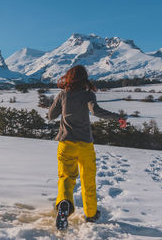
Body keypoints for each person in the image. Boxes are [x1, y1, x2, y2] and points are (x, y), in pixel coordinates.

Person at [48, 65, 127, 230]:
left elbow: (51, 115)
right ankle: (91, 214)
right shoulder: (88, 94)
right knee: (87, 179)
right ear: (85, 78)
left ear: (68, 77)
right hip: (85, 145)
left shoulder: (63, 94)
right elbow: (96, 111)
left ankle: (64, 204)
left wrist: (60, 107)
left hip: (65, 143)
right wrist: (117, 117)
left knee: (66, 177)